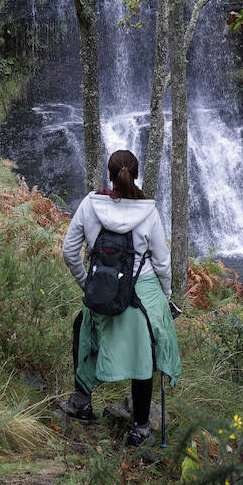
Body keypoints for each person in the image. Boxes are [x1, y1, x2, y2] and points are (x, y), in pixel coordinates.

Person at [59, 148, 181, 445]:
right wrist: (164, 299)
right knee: (145, 352)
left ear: (110, 176)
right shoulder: (148, 212)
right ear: (136, 175)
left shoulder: (91, 204)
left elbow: (68, 251)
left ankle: (81, 402)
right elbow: (163, 264)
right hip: (141, 292)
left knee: (82, 329)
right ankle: (140, 427)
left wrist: (86, 284)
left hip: (102, 289)